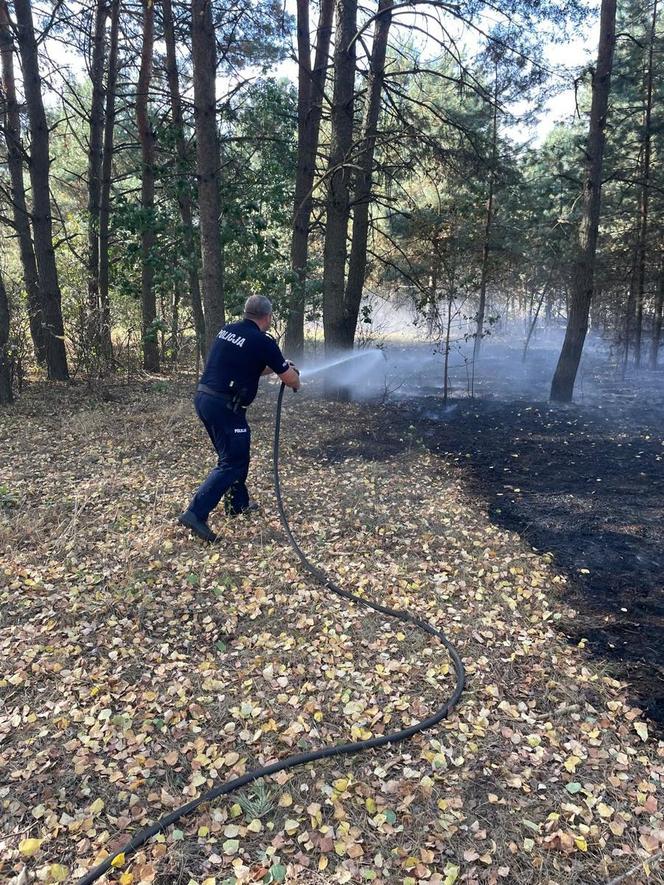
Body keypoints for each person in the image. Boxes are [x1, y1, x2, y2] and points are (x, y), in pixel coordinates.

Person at [178, 295, 301, 542]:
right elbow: (291, 380)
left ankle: (237, 504)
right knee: (232, 461)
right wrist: (292, 375)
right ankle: (195, 513)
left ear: (246, 313)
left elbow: (252, 365)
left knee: (236, 455)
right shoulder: (262, 341)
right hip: (225, 407)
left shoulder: (228, 330)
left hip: (205, 399)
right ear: (268, 317)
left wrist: (278, 366)